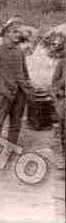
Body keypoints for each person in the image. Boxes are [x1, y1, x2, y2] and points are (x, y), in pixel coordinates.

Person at [0, 18, 35, 154]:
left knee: (16, 123)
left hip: (20, 94)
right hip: (3, 94)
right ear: (6, 33)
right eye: (14, 32)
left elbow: (25, 73)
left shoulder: (20, 51)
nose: (18, 35)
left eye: (19, 32)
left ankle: (10, 149)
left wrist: (28, 89)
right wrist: (3, 89)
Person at [50, 37, 65, 165]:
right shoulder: (62, 63)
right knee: (63, 131)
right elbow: (54, 83)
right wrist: (58, 91)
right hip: (64, 102)